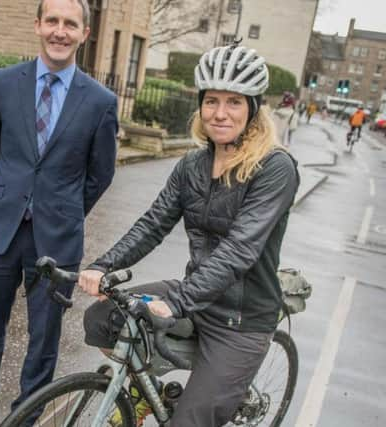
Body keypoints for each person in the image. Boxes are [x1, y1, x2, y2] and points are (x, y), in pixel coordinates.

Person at [78, 44, 300, 427]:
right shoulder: (193, 163)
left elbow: (238, 250)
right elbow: (154, 223)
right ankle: (145, 389)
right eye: (211, 100)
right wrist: (103, 266)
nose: (219, 112)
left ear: (253, 107)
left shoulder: (275, 168)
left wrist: (179, 301)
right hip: (194, 297)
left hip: (241, 320)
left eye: (233, 102)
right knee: (102, 318)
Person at [0, 0, 118, 425]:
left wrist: (64, 208)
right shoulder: (3, 82)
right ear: (38, 25)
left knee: (44, 337)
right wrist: (12, 193)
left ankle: (28, 410)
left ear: (84, 34)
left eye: (70, 24)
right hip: (1, 228)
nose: (60, 31)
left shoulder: (100, 101)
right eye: (52, 21)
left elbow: (100, 174)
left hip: (57, 236)